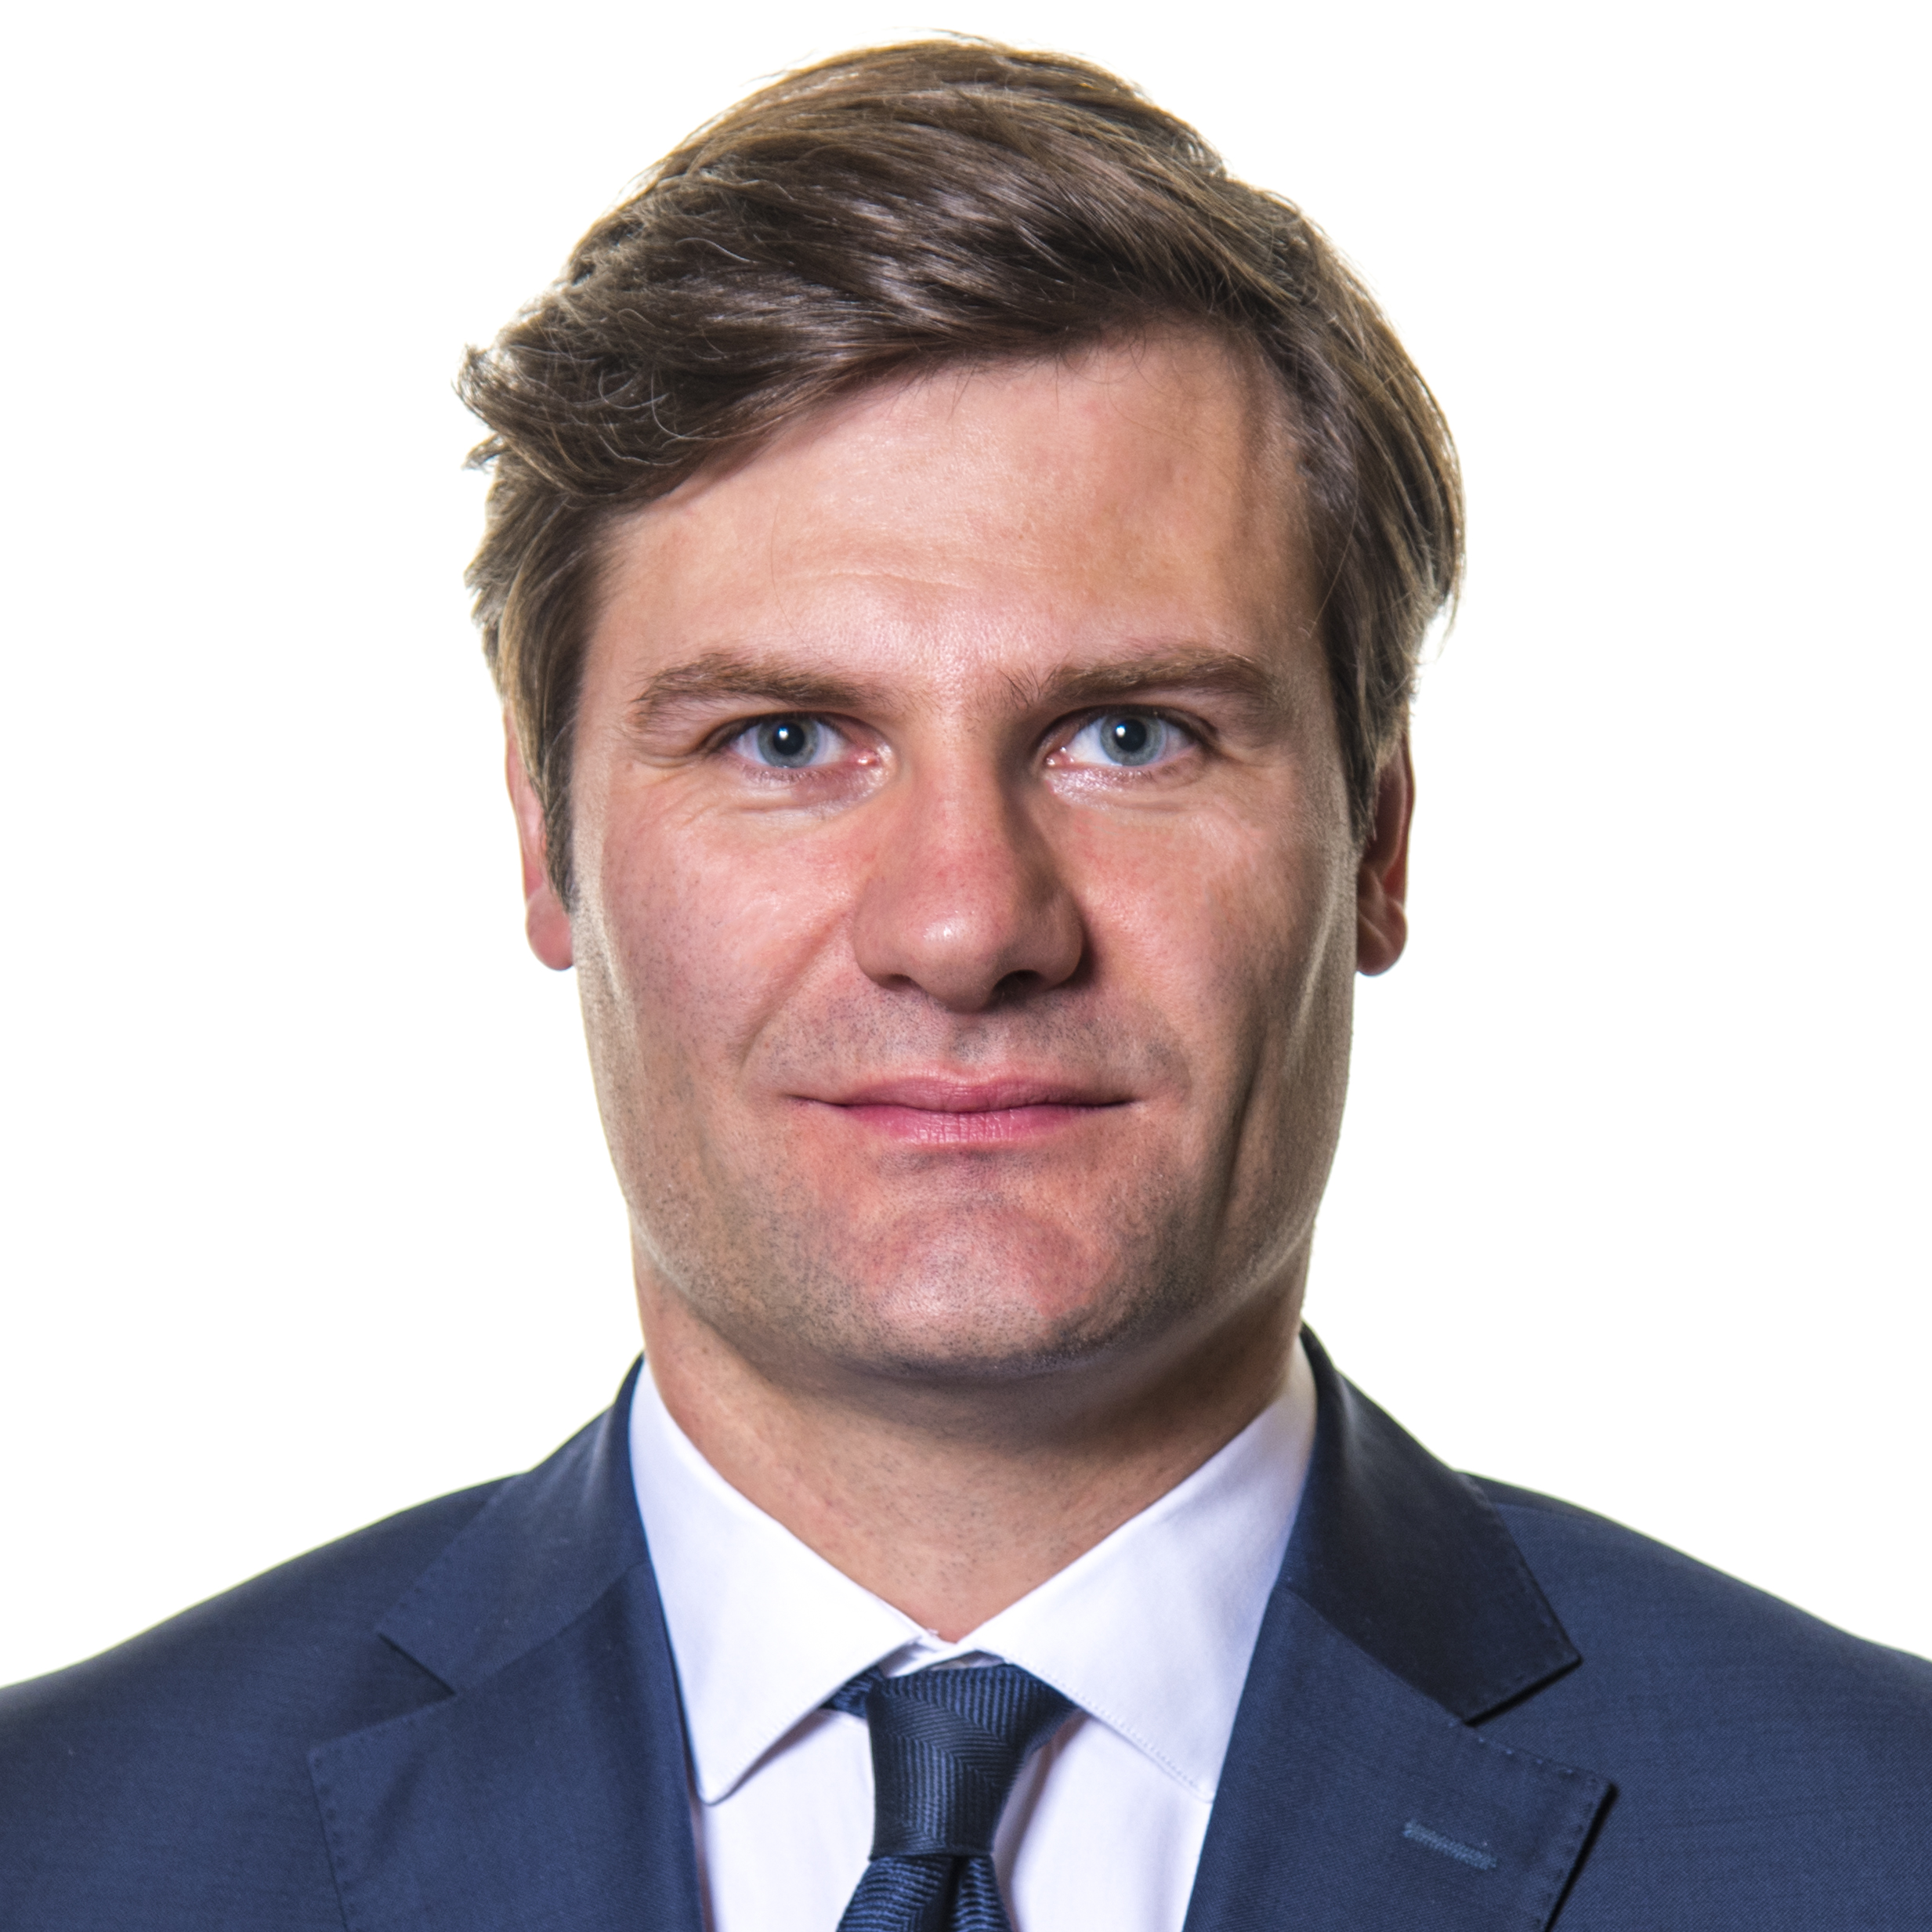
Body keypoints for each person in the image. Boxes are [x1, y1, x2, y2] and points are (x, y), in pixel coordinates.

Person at [2, 38, 1927, 1930]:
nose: (965, 923)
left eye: (1131, 735)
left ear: (1379, 838)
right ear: (544, 837)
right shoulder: (61, 1853)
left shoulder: (1877, 1843)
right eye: (782, 739)